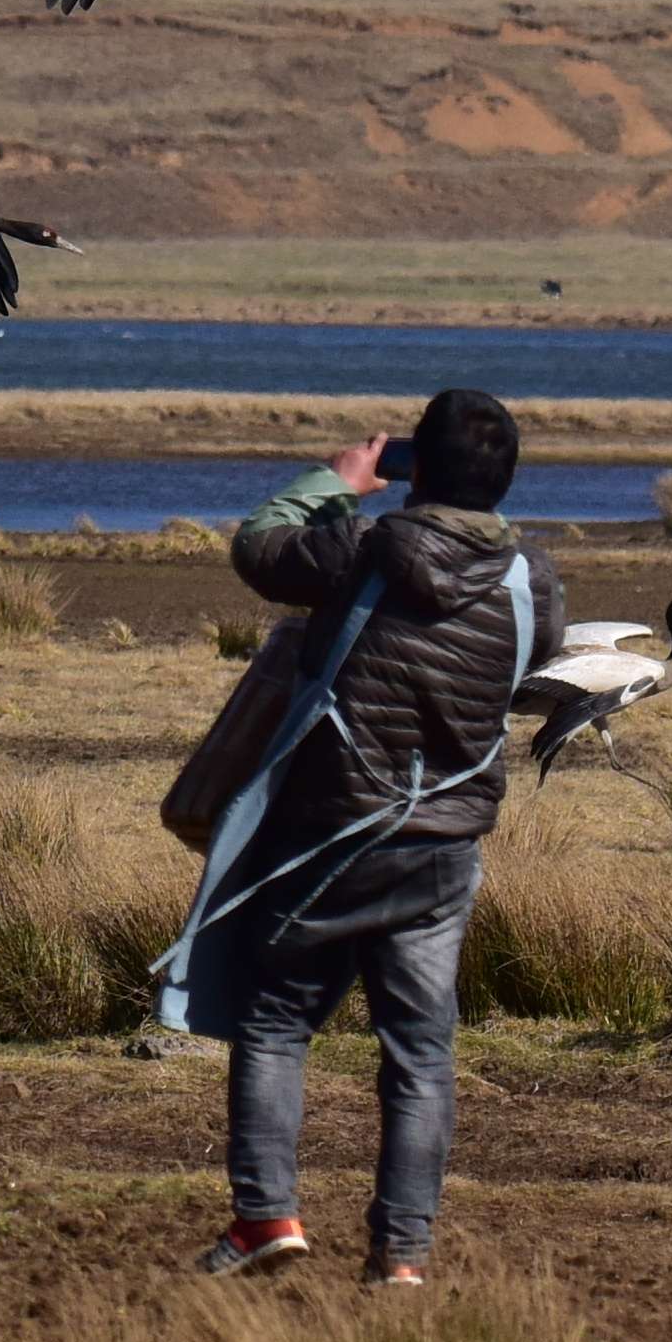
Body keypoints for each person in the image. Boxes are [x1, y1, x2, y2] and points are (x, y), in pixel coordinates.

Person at [164, 385, 545, 1285]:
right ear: (503, 481)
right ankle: (403, 1256)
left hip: (330, 841)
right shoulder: (533, 582)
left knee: (275, 1022)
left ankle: (265, 1220)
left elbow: (257, 552)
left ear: (416, 466)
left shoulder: (363, 548)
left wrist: (332, 483)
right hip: (444, 850)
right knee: (421, 1055)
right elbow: (522, 675)